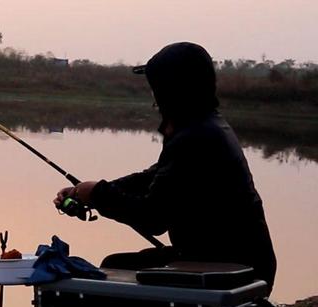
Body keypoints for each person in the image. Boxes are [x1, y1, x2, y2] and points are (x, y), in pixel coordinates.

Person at [53, 42, 277, 291]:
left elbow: (153, 218)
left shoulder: (195, 137)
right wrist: (85, 193)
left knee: (116, 269)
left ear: (171, 90)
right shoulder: (205, 125)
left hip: (233, 269)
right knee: (117, 264)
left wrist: (98, 193)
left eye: (155, 89)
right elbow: (153, 177)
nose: (153, 99)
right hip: (233, 261)